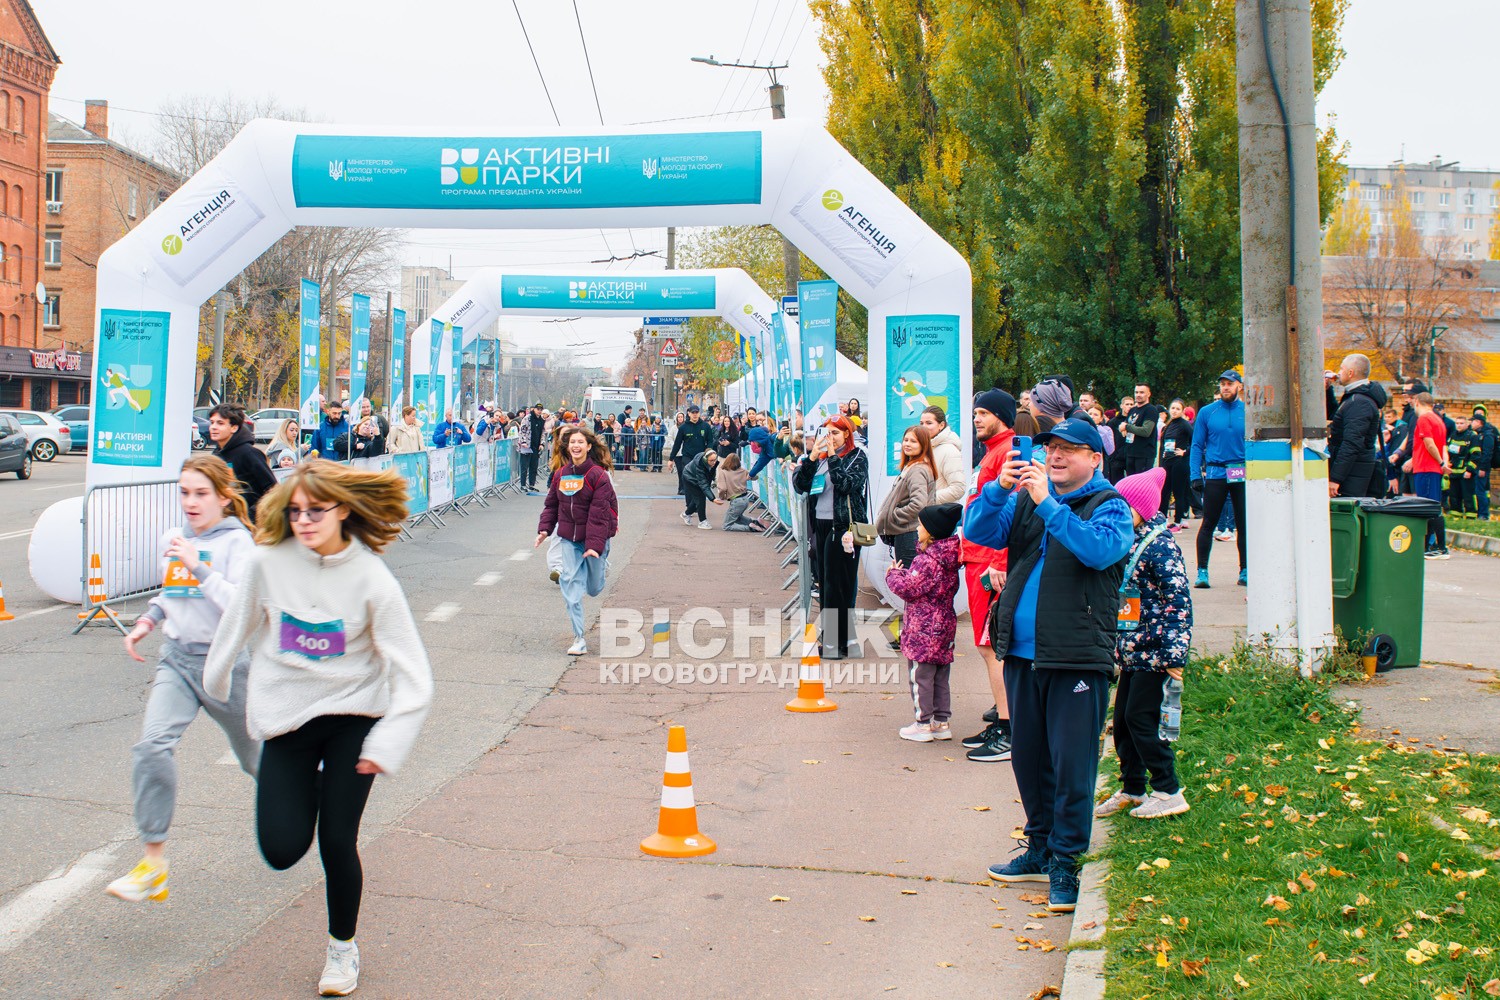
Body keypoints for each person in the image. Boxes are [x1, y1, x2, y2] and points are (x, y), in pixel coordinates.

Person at [205, 460, 433, 997]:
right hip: (287, 717)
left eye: (315, 511)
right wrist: (213, 685)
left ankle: (341, 950)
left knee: (336, 838)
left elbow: (415, 675)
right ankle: (307, 785)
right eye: (295, 512)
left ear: (343, 510)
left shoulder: (373, 578)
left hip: (354, 716)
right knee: (282, 849)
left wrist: (388, 742)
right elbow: (235, 626)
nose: (303, 521)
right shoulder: (268, 564)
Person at [962, 417, 1134, 913]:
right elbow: (978, 530)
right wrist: (1000, 488)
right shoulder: (1027, 497)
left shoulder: (1111, 506)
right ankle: (1039, 847)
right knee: (1029, 758)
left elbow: (1099, 552)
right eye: (1051, 448)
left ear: (1095, 459)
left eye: (1069, 450)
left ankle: (1067, 861)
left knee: (1071, 764)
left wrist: (1049, 505)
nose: (1055, 456)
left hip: (1076, 656)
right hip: (1020, 650)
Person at [106, 456, 261, 905]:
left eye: (200, 493)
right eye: (184, 492)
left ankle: (312, 798)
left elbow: (241, 608)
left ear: (223, 497)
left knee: (258, 763)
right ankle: (153, 862)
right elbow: (172, 592)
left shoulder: (239, 544)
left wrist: (200, 566)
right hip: (176, 660)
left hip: (225, 666)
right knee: (152, 745)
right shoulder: (173, 539)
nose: (190, 502)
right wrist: (148, 620)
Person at [1096, 468, 1193, 821]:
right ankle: (1133, 788)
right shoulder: (1128, 538)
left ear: (1142, 508)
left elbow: (1178, 602)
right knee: (1121, 722)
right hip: (1133, 651)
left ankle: (1168, 790)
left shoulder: (1161, 546)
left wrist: (1175, 655)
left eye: (1124, 505)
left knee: (1142, 720)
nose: (1118, 510)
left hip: (1157, 654)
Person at [959, 389, 1017, 763]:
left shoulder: (1007, 451)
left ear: (1000, 415)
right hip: (977, 556)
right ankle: (1002, 713)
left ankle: (1009, 729)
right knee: (986, 644)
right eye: (975, 413)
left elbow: (1013, 511)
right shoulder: (993, 451)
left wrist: (1000, 559)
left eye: (983, 413)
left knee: (990, 644)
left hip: (989, 562)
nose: (977, 419)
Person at [536, 426, 619, 654]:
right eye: (573, 442)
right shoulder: (561, 475)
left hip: (595, 539)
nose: (576, 446)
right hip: (568, 539)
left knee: (593, 589)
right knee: (570, 583)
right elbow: (551, 505)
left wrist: (593, 547)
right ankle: (579, 638)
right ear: (568, 446)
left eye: (581, 442)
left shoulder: (598, 476)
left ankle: (600, 566)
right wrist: (544, 530)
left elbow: (599, 515)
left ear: (589, 446)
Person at [884, 502, 963, 743]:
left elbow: (910, 588)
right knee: (940, 676)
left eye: (920, 525)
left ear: (930, 530)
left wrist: (893, 574)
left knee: (921, 677)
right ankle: (941, 721)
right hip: (944, 627)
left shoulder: (927, 560)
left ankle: (922, 723)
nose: (917, 529)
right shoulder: (949, 557)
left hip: (924, 629)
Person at [809, 416, 868, 658]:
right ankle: (839, 641)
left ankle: (837, 642)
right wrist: (812, 458)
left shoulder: (857, 457)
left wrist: (833, 457)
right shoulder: (821, 459)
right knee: (826, 584)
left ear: (847, 435)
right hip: (821, 525)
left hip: (843, 527)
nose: (830, 437)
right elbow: (802, 485)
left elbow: (845, 484)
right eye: (827, 432)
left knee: (839, 585)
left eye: (836, 433)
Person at [1188, 371, 1247, 588]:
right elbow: (1196, 445)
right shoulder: (1207, 412)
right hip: (1215, 473)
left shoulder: (1248, 412)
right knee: (1208, 523)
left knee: (1243, 524)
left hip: (1241, 471)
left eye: (1230, 384)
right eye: (1222, 384)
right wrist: (1195, 474)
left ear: (1239, 386)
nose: (1225, 388)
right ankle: (1202, 571)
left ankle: (1245, 569)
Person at [1326, 353, 1388, 500]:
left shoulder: (1359, 402)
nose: (1338, 373)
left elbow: (1351, 443)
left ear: (1350, 372)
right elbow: (1338, 417)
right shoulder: (1355, 398)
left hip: (1352, 475)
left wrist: (1336, 478)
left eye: (1341, 369)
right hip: (1352, 472)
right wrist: (1328, 391)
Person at [876, 424, 936, 568]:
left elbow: (918, 504)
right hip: (908, 534)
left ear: (924, 444)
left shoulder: (917, 470)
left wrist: (894, 515)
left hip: (909, 535)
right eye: (906, 440)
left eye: (913, 441)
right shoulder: (912, 466)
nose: (907, 444)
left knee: (908, 583)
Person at [209, 403, 277, 520]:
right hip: (224, 521)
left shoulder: (249, 453)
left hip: (249, 526)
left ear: (234, 427)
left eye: (220, 423)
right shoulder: (215, 456)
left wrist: (249, 515)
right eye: (212, 422)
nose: (213, 427)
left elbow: (273, 490)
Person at [1404, 392, 1450, 558]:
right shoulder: (1439, 420)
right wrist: (1444, 462)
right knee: (1430, 507)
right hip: (1431, 468)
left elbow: (1429, 443)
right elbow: (1443, 446)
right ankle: (1427, 547)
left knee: (1431, 508)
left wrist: (1440, 462)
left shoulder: (1424, 419)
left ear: (1417, 402)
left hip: (1426, 468)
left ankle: (1440, 547)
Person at [919, 405, 966, 504]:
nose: (923, 427)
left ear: (941, 425)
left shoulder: (950, 451)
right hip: (924, 513)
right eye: (921, 423)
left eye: (929, 423)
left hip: (940, 515)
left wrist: (926, 499)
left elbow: (958, 488)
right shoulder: (924, 448)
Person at [1158, 400, 1193, 529]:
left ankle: (1178, 521)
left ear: (1183, 411)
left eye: (1178, 409)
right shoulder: (1167, 425)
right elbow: (1162, 445)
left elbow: (1195, 442)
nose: (1174, 411)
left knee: (1178, 492)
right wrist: (1161, 462)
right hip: (1167, 462)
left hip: (1179, 463)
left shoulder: (1185, 425)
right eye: (1172, 408)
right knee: (1165, 491)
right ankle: (1162, 518)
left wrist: (1185, 452)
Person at [669, 405, 713, 499]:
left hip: (701, 457)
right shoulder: (683, 427)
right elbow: (677, 444)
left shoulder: (705, 426)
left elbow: (710, 441)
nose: (695, 415)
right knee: (688, 480)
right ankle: (689, 504)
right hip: (687, 457)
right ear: (689, 413)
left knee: (700, 481)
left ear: (699, 413)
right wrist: (671, 459)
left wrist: (708, 451)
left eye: (696, 412)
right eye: (693, 413)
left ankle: (698, 503)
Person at [1121, 383, 1164, 475]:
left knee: (1141, 486)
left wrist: (1127, 427)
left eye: (1142, 392)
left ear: (1148, 394)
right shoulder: (1133, 410)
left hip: (1144, 454)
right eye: (1136, 392)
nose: (1138, 395)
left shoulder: (1150, 410)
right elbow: (1123, 428)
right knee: (1130, 484)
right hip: (1130, 452)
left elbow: (1146, 431)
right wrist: (1125, 427)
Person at [716, 451, 762, 532]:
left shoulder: (723, 472)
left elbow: (722, 488)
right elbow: (755, 477)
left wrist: (722, 497)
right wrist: (750, 476)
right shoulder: (743, 471)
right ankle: (755, 522)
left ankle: (750, 528)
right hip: (745, 498)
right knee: (737, 517)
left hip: (736, 500)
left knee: (726, 525)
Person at [1447, 414, 1480, 517]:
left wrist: (1469, 470)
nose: (1459, 426)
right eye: (1457, 423)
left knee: (1468, 495)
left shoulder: (1472, 437)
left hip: (1465, 472)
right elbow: (1448, 451)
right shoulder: (1453, 436)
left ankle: (1471, 515)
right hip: (1453, 472)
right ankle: (1456, 515)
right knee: (1454, 496)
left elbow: (1476, 455)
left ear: (1467, 424)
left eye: (1461, 423)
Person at [681, 448, 720, 529]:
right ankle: (702, 521)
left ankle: (686, 514)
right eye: (711, 460)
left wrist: (713, 480)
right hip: (690, 478)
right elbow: (703, 484)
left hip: (696, 478)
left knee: (697, 500)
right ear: (706, 459)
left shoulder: (711, 461)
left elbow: (711, 472)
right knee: (700, 498)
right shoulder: (699, 465)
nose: (714, 462)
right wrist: (712, 498)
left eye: (715, 460)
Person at [1472, 406, 1496, 520]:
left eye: (1473, 421)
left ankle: (1483, 514)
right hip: (1479, 466)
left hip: (1483, 468)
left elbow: (1487, 453)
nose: (1471, 423)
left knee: (1480, 491)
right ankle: (1480, 513)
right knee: (1478, 490)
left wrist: (1482, 468)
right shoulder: (1479, 433)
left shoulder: (1487, 434)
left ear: (1479, 422)